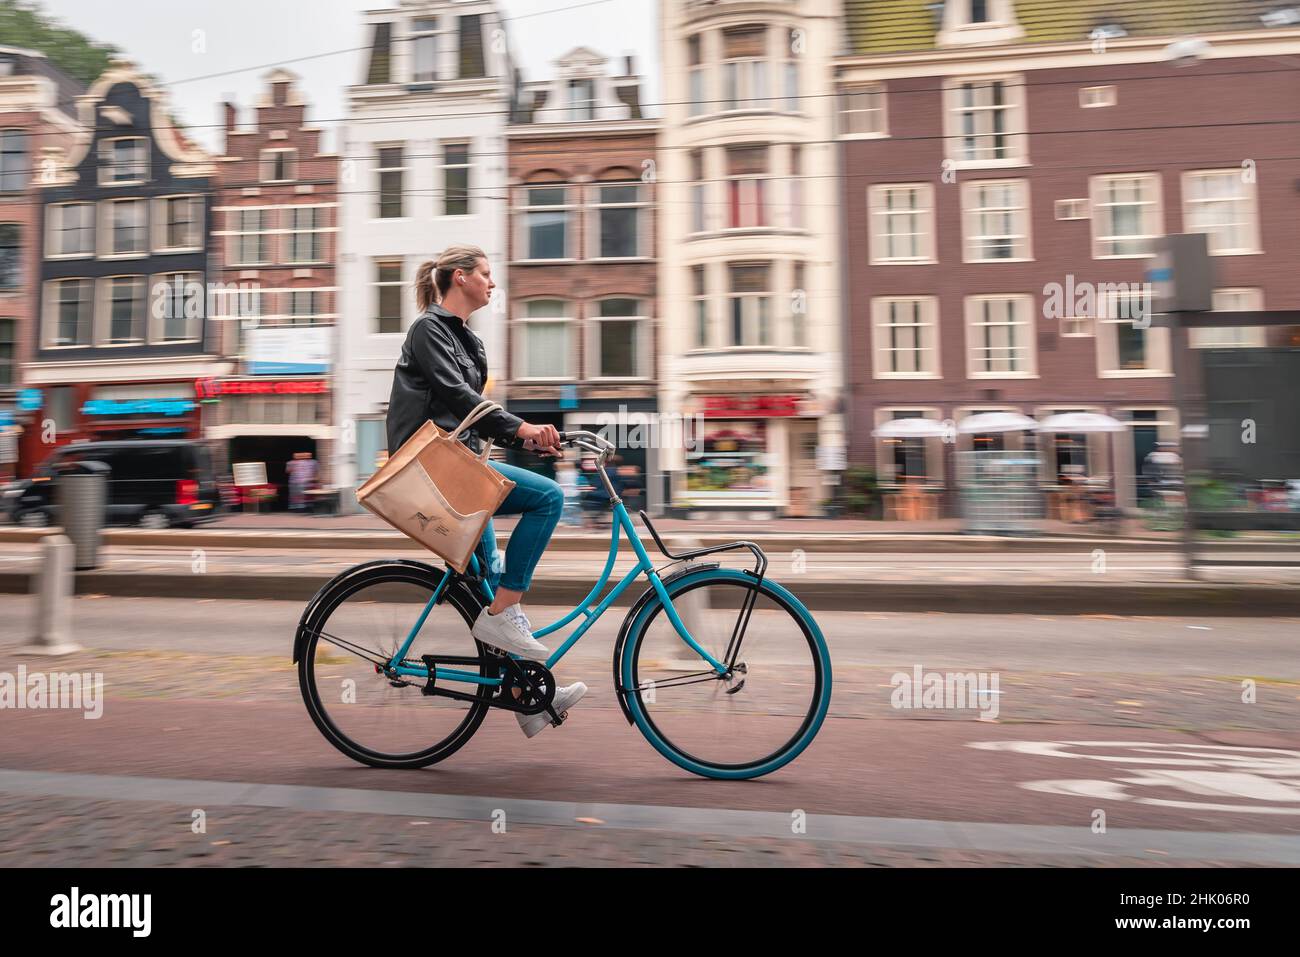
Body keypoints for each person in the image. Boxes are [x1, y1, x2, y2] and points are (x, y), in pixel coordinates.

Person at [385, 244, 586, 738]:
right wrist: (524, 429)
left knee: (486, 584)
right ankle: (507, 611)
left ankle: (525, 699)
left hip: (462, 466)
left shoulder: (468, 341)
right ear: (461, 278)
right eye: (487, 275)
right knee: (548, 498)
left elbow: (474, 416)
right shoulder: (429, 329)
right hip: (432, 465)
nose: (493, 284)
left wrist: (529, 441)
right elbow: (458, 397)